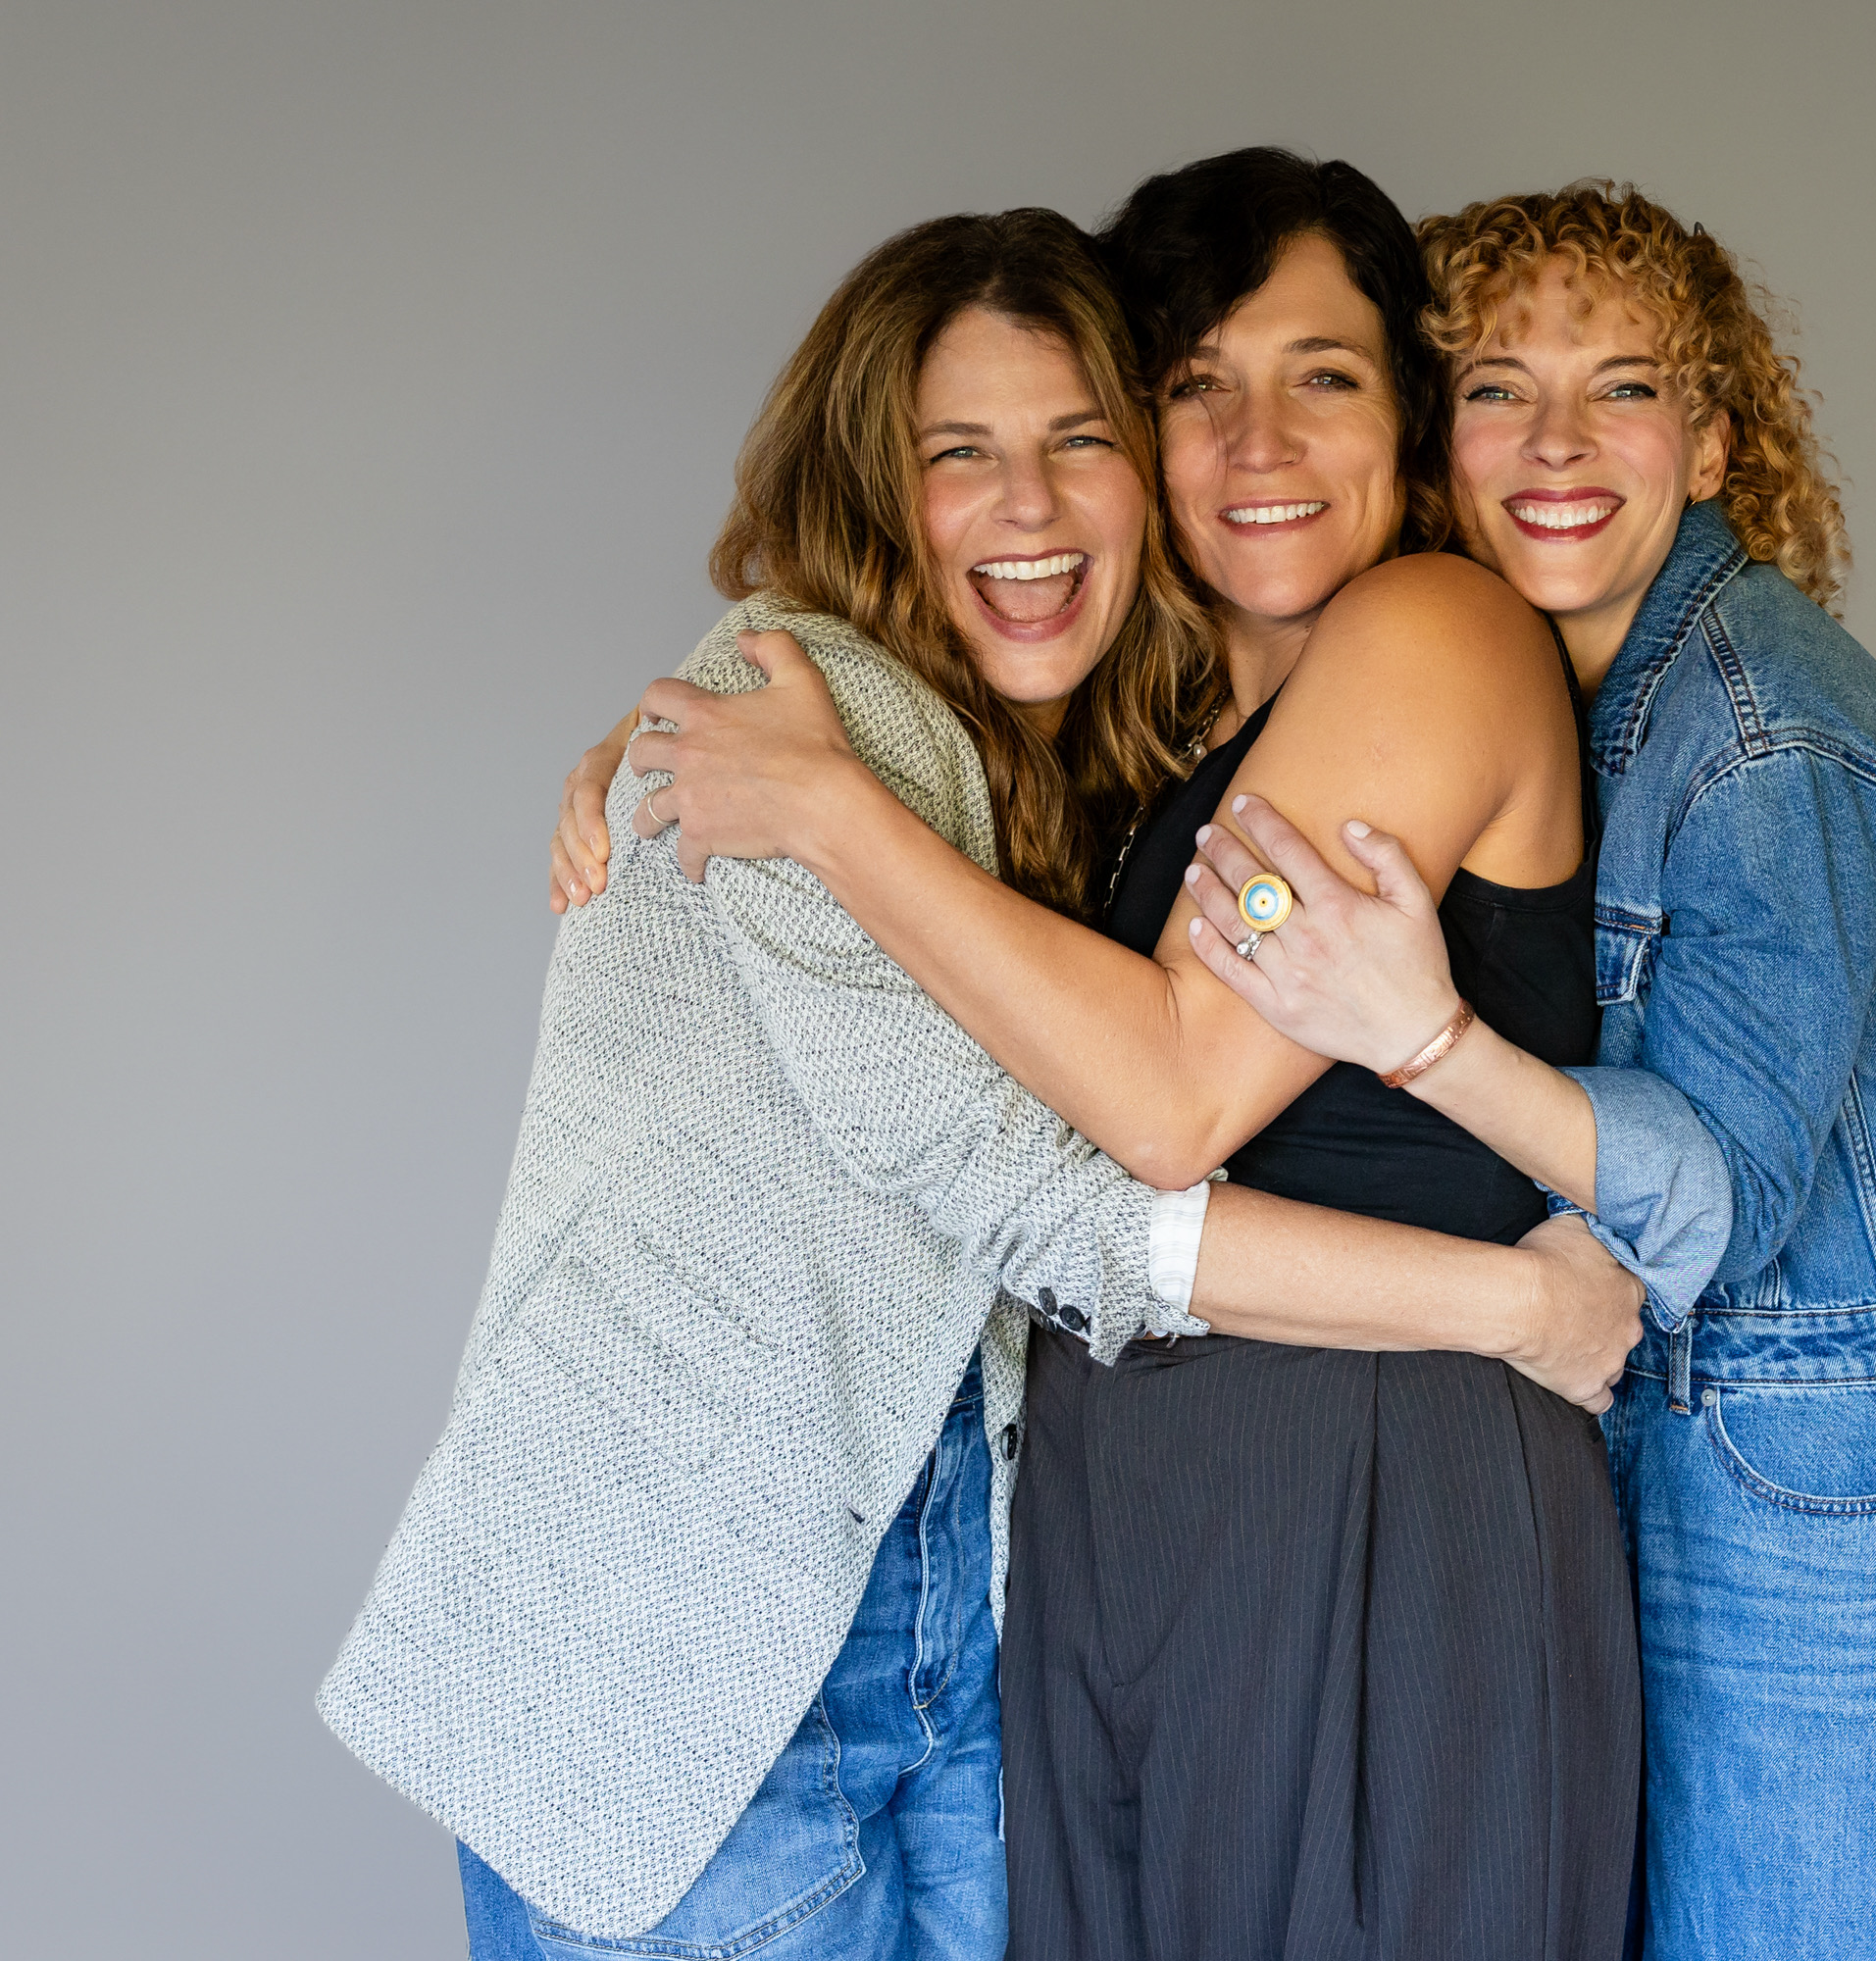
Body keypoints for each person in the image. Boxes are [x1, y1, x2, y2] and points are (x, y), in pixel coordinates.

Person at [324, 206, 1641, 1961]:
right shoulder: (794, 719)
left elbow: (1128, 1072)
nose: (1028, 507)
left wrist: (807, 798)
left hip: (983, 1637)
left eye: (1074, 438)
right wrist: (1505, 1304)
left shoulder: (1060, 760)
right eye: (962, 456)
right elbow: (1056, 1190)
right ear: (876, 488)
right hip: (690, 1648)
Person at [1176, 182, 1876, 1961]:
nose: (1557, 442)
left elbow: (1713, 1199)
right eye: (1501, 387)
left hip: (1830, 1516)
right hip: (1657, 1468)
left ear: (1719, 438)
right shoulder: (1573, 698)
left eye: (1627, 388)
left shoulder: (1762, 731)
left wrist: (1421, 1037)